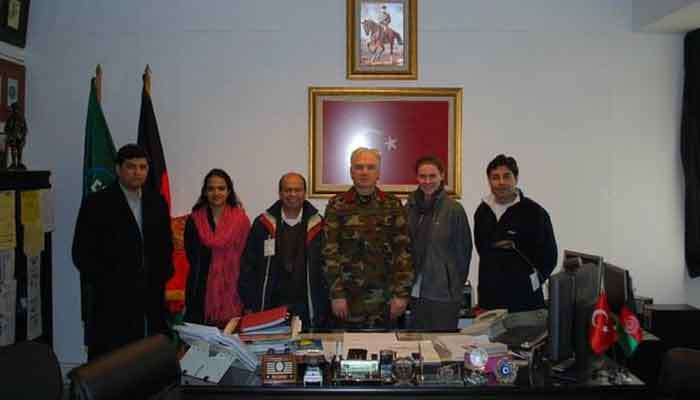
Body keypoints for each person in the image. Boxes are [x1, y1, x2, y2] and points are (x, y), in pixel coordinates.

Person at [72, 144, 173, 360]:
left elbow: (165, 246)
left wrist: (161, 277)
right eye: (131, 167)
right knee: (114, 363)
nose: (137, 172)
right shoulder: (97, 203)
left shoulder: (157, 202)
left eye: (143, 167)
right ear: (118, 169)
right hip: (113, 299)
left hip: (150, 296)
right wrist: (108, 281)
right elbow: (81, 253)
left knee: (149, 360)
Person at [322, 147, 414, 329]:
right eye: (359, 167)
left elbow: (403, 252)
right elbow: (329, 253)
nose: (364, 172)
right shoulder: (337, 205)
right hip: (347, 300)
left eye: (370, 167)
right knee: (347, 354)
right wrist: (337, 295)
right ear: (351, 172)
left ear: (378, 173)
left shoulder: (392, 204)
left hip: (386, 300)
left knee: (387, 352)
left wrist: (402, 294)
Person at [239, 172, 329, 328]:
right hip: (270, 305)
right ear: (280, 193)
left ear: (305, 193)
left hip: (308, 307)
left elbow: (327, 267)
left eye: (297, 190)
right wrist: (249, 302)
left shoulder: (319, 225)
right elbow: (248, 266)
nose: (292, 194)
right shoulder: (262, 224)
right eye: (287, 190)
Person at [474, 154, 557, 312]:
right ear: (489, 181)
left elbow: (549, 256)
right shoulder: (482, 211)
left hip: (525, 303)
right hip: (489, 301)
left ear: (516, 178)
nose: (501, 182)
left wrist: (529, 284)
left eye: (506, 176)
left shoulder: (534, 212)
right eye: (495, 177)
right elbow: (482, 250)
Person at [406, 156, 472, 330]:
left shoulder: (454, 210)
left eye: (432, 176)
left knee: (442, 346)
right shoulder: (410, 207)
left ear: (442, 176)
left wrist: (454, 285)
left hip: (444, 295)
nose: (427, 181)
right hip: (415, 292)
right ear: (416, 178)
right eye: (422, 176)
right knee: (417, 347)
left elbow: (464, 253)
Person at [184, 169, 250, 327]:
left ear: (229, 191)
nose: (216, 193)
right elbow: (191, 256)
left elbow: (247, 258)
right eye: (211, 188)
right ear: (205, 192)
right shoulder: (194, 220)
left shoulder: (241, 220)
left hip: (234, 292)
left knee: (230, 343)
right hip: (200, 291)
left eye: (221, 188)